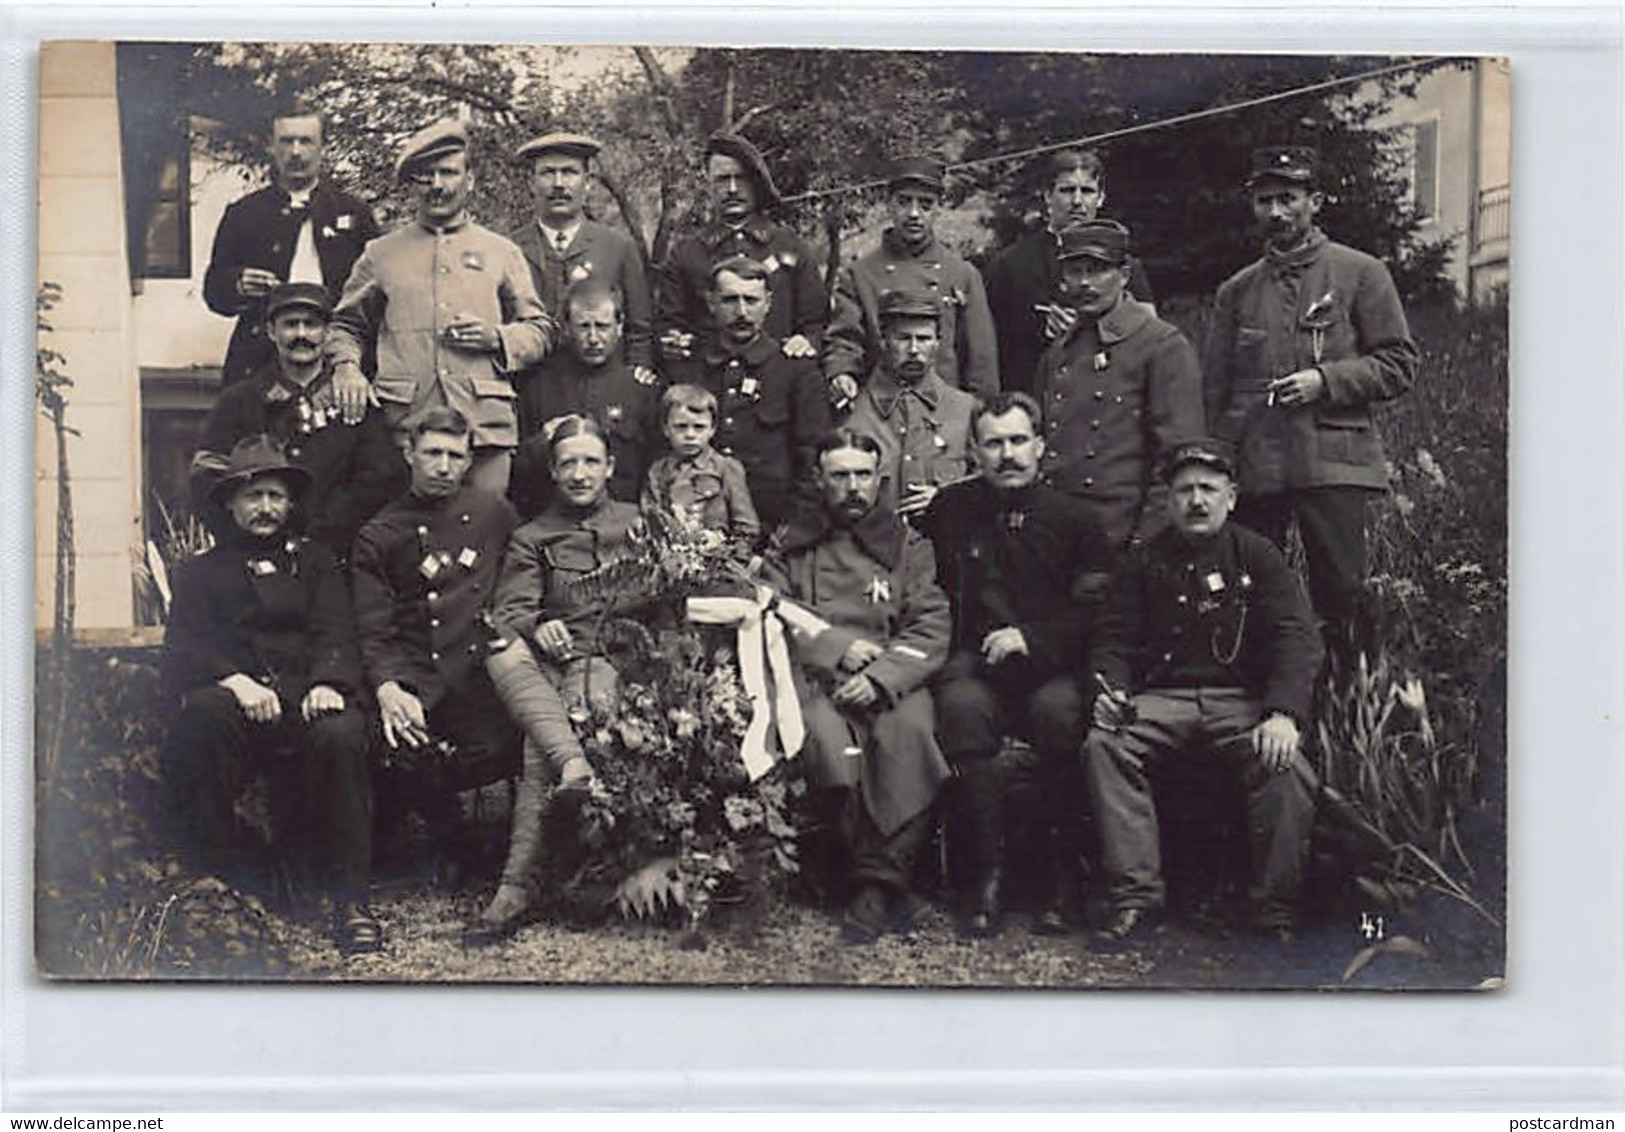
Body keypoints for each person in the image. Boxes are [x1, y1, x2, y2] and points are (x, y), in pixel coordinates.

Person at [1083, 438, 1323, 949]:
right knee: (1105, 746)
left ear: (1231, 497)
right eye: (1185, 490)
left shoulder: (1258, 555)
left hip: (1238, 703)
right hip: (1158, 702)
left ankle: (1274, 909)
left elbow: (1294, 636)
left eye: (1209, 489)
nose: (1197, 501)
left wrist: (1283, 713)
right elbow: (1113, 638)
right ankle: (1135, 898)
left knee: (1286, 765)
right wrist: (1111, 692)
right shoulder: (1142, 561)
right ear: (1168, 500)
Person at [161, 436, 378, 954]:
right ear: (231, 503)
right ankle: (221, 887)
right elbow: (184, 647)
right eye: (254, 496)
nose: (265, 508)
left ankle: (351, 902)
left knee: (343, 732)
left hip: (304, 702)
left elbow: (337, 632)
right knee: (205, 717)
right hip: (240, 705)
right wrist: (233, 680)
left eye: (276, 497)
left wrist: (328, 681)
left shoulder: (317, 561)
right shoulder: (201, 573)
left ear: (289, 504)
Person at [1203, 145, 1418, 643]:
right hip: (1258, 465)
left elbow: (1399, 364)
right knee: (1250, 595)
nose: (1276, 212)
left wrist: (1326, 381)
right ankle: (1268, 705)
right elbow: (1217, 391)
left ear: (1315, 200)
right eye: (1264, 201)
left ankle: (1348, 706)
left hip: (1333, 461)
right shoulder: (1235, 292)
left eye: (1289, 198)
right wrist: (1220, 462)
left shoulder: (1361, 272)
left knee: (1343, 597)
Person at [920, 392, 1109, 937]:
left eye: (1019, 441)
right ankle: (988, 877)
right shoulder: (951, 510)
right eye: (994, 443)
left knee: (1058, 714)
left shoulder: (1077, 521)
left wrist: (1032, 638)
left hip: (1051, 666)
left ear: (1041, 446)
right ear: (974, 451)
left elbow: (1097, 610)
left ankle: (1058, 879)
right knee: (960, 707)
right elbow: (926, 588)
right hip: (975, 665)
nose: (1008, 454)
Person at [760, 429, 952, 944]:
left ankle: (874, 885)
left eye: (863, 475)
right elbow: (770, 611)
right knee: (828, 744)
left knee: (909, 736)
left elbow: (930, 625)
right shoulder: (791, 545)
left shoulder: (908, 546)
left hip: (892, 679)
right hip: (815, 677)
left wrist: (881, 679)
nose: (853, 487)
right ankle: (883, 882)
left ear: (879, 479)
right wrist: (835, 648)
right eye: (840, 475)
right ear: (820, 480)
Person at [475, 416, 647, 938]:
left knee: (538, 742)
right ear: (551, 470)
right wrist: (538, 622)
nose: (579, 473)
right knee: (501, 650)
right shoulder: (533, 536)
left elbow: (665, 602)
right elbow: (510, 611)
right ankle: (573, 775)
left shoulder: (642, 523)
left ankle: (517, 885)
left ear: (610, 467)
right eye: (568, 462)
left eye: (591, 461)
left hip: (615, 660)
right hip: (554, 661)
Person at [327, 118, 555, 496]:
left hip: (484, 430)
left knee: (483, 536)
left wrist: (496, 338)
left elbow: (540, 330)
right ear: (411, 185)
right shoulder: (381, 254)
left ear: (470, 180)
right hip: (406, 430)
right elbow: (345, 326)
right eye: (425, 175)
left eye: (448, 173)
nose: (437, 185)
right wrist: (347, 367)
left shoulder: (501, 251)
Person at [350, 407, 523, 849]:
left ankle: (473, 844)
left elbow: (522, 578)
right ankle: (444, 839)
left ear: (469, 462)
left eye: (454, 455)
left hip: (475, 672)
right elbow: (374, 627)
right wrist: (389, 687)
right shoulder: (380, 532)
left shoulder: (494, 513)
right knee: (402, 747)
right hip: (416, 675)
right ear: (409, 453)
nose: (444, 466)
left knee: (502, 744)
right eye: (432, 453)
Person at [190, 282, 405, 564]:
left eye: (311, 325)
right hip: (256, 559)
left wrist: (325, 536)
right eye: (290, 324)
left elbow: (380, 481)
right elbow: (206, 477)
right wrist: (243, 542)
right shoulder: (239, 401)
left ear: (328, 334)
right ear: (271, 331)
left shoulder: (355, 399)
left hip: (338, 560)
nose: (301, 334)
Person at [1031, 219, 1203, 551]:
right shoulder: (1058, 351)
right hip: (1059, 533)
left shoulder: (1161, 345)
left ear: (1124, 275)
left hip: (1123, 534)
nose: (1084, 283)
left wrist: (1146, 540)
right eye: (1074, 271)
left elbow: (1178, 457)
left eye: (1096, 270)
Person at [203, 109, 380, 387]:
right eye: (286, 141)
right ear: (272, 146)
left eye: (306, 141)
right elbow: (214, 293)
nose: (296, 152)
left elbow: (377, 294)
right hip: (260, 364)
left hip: (334, 362)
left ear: (323, 146)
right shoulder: (244, 213)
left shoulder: (353, 213)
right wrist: (238, 282)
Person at [664, 256, 831, 533]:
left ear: (768, 304)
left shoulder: (795, 369)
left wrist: (792, 530)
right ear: (711, 303)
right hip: (697, 524)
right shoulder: (688, 366)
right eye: (730, 300)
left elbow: (813, 457)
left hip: (774, 523)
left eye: (751, 301)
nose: (741, 312)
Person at [507, 129, 657, 430]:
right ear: (530, 183)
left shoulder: (617, 246)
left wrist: (636, 374)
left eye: (570, 172)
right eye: (548, 173)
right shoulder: (508, 249)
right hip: (531, 392)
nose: (559, 183)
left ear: (587, 183)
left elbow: (639, 328)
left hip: (601, 393)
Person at [824, 157, 999, 403]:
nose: (914, 214)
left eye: (925, 204)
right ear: (889, 206)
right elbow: (845, 340)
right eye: (904, 202)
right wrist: (842, 373)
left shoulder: (962, 275)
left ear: (939, 208)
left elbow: (982, 365)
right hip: (880, 412)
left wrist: (974, 418)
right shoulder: (859, 274)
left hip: (944, 414)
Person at [982, 149, 1156, 395]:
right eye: (1066, 190)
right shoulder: (1009, 265)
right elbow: (986, 348)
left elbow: (1151, 336)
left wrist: (1087, 329)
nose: (1077, 201)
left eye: (1087, 191)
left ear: (1101, 198)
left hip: (1105, 401)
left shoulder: (1124, 265)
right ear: (1047, 196)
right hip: (1030, 401)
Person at [656, 132, 826, 367]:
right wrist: (674, 341)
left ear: (756, 182)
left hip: (779, 381)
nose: (733, 189)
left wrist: (806, 341)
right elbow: (669, 324)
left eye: (742, 178)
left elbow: (816, 322)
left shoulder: (790, 246)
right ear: (708, 183)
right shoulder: (686, 254)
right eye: (722, 180)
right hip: (709, 384)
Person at [508, 281, 661, 518]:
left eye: (602, 326)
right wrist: (542, 442)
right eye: (583, 327)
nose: (593, 338)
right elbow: (515, 470)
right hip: (550, 526)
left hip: (621, 526)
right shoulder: (536, 386)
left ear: (619, 327)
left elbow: (656, 468)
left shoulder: (640, 389)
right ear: (566, 328)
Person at [840, 290, 977, 518]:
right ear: (883, 341)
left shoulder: (964, 409)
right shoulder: (853, 412)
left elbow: (989, 483)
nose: (914, 350)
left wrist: (946, 498)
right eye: (903, 338)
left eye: (923, 339)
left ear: (937, 343)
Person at [641, 384, 761, 544]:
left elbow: (748, 530)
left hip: (719, 559)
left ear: (712, 429)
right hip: (669, 558)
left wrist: (723, 546)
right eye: (681, 427)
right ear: (666, 428)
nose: (690, 435)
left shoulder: (726, 468)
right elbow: (650, 520)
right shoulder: (658, 471)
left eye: (699, 427)